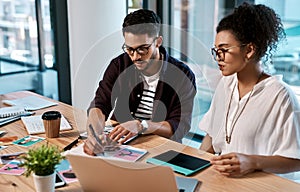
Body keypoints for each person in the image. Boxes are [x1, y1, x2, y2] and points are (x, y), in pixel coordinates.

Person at [199, 2, 300, 181]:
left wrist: (252, 162)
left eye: (224, 50)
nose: (218, 58)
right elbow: (211, 136)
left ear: (250, 50)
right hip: (222, 181)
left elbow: (295, 160)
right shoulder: (226, 84)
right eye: (216, 51)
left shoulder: (280, 96)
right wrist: (193, 167)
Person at [84, 9, 196, 155]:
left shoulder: (182, 75)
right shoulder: (119, 65)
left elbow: (178, 126)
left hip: (160, 148)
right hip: (120, 143)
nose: (135, 57)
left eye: (143, 49)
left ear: (158, 42)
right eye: (130, 49)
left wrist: (141, 126)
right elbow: (100, 105)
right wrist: (93, 135)